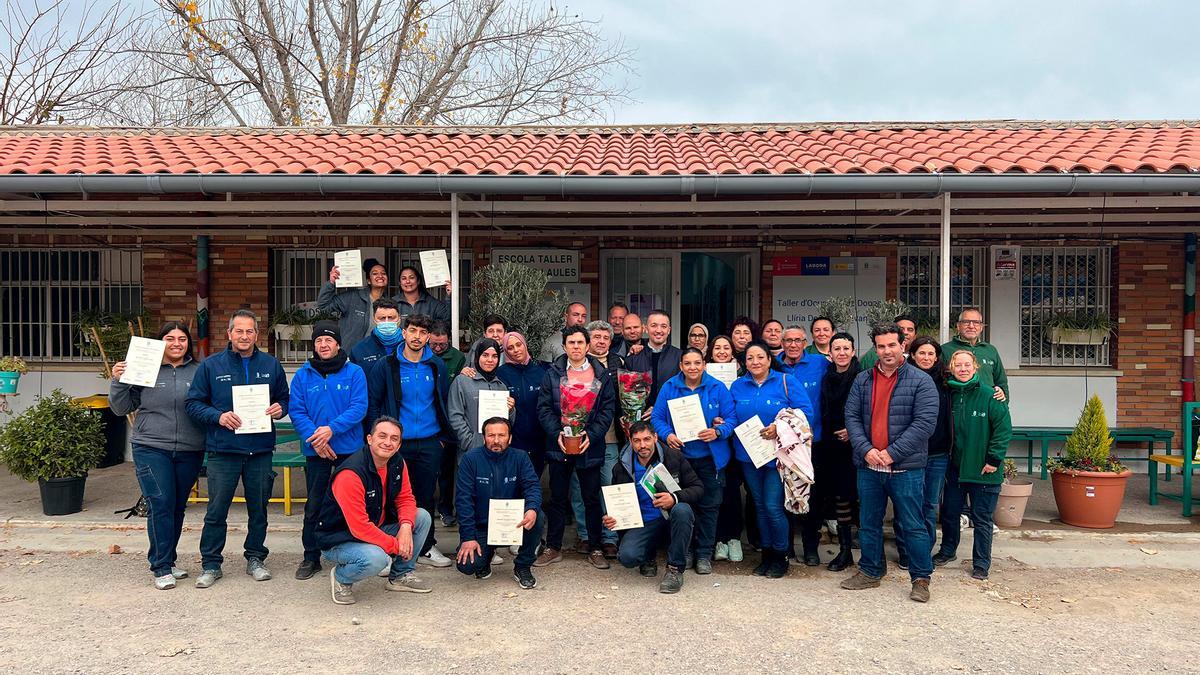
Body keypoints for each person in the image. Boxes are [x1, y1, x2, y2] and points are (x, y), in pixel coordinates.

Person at [185, 309, 289, 589]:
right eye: (239, 331)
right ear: (229, 334)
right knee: (216, 510)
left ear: (257, 334)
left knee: (259, 509)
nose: (244, 336)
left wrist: (281, 408)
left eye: (250, 331)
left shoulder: (270, 364)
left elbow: (284, 399)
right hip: (223, 450)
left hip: (260, 450)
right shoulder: (211, 366)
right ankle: (211, 564)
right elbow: (193, 404)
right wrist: (218, 416)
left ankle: (255, 558)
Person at [841, 323, 939, 603]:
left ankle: (921, 578)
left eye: (892, 345)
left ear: (903, 345)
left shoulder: (921, 381)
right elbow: (852, 418)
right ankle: (870, 571)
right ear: (875, 348)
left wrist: (892, 452)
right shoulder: (862, 380)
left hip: (905, 468)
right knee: (869, 523)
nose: (886, 351)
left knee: (913, 524)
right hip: (869, 466)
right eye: (881, 346)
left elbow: (924, 424)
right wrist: (867, 449)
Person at [109, 321, 205, 590]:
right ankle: (160, 566)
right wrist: (117, 381)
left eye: (182, 339)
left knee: (176, 506)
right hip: (151, 447)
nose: (176, 343)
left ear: (189, 343)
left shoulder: (199, 372)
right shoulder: (144, 369)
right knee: (160, 504)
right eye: (170, 338)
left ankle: (170, 560)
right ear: (160, 342)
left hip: (189, 449)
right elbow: (121, 407)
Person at [364, 313, 454, 567]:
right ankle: (391, 549)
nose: (417, 337)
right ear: (403, 333)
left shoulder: (436, 365)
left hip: (429, 442)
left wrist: (442, 440)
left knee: (425, 498)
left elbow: (443, 401)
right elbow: (373, 404)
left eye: (422, 333)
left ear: (428, 337)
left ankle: (425, 547)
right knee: (392, 497)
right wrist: (377, 441)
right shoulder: (386, 365)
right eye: (412, 331)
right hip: (395, 445)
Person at [317, 416, 433, 605]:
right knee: (376, 559)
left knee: (421, 517)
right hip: (340, 538)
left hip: (375, 528)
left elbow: (405, 498)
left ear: (399, 444)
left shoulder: (396, 462)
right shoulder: (350, 474)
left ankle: (400, 576)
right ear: (370, 439)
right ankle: (341, 578)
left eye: (394, 439)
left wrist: (405, 527)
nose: (388, 442)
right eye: (382, 436)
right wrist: (397, 547)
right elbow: (359, 528)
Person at [288, 321, 369, 581]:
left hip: (349, 450)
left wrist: (331, 430)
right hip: (316, 451)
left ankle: (354, 550)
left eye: (329, 340)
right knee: (315, 504)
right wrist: (317, 440)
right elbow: (297, 410)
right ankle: (310, 556)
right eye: (319, 341)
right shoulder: (303, 375)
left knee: (352, 503)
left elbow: (359, 408)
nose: (324, 345)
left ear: (338, 344)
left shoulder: (354, 372)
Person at [534, 326, 617, 569]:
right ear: (564, 346)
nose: (576, 347)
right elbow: (544, 408)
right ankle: (554, 546)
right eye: (571, 343)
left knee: (591, 498)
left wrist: (592, 434)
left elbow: (607, 409)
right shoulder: (552, 373)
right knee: (558, 498)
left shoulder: (601, 374)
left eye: (581, 342)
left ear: (588, 345)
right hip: (560, 444)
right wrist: (557, 433)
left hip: (589, 445)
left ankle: (595, 547)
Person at [730, 342, 813, 579]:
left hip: (779, 457)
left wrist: (780, 427)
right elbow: (730, 416)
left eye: (760, 357)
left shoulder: (786, 382)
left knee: (773, 507)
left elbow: (806, 413)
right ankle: (766, 555)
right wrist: (720, 423)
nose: (755, 362)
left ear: (769, 359)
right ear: (744, 363)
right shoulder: (737, 386)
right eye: (750, 358)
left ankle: (781, 555)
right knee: (759, 506)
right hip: (749, 457)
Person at [650, 347, 735, 574]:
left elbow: (731, 419)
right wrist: (668, 435)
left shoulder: (717, 387)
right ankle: (684, 550)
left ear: (704, 364)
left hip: (710, 458)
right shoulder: (670, 387)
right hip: (680, 459)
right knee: (681, 505)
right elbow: (657, 417)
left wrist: (718, 432)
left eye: (697, 363)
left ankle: (704, 553)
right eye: (687, 363)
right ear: (681, 366)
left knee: (709, 506)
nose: (693, 368)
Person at [934, 350, 1012, 581]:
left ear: (975, 367)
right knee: (949, 514)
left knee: (982, 519)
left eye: (967, 364)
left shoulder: (990, 395)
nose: (963, 369)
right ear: (951, 368)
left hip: (983, 469)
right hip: (954, 469)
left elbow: (1003, 429)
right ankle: (947, 551)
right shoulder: (947, 394)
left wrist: (994, 460)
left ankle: (981, 563)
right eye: (958, 365)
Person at [605, 421, 704, 594]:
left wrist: (674, 498)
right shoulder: (621, 468)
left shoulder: (674, 457)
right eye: (637, 441)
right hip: (644, 522)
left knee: (683, 510)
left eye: (647, 439)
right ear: (630, 441)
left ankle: (674, 570)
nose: (642, 445)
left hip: (671, 518)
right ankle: (648, 556)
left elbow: (698, 488)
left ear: (655, 438)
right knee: (627, 557)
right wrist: (612, 517)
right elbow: (618, 501)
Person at [454, 418, 543, 590]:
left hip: (514, 523)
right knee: (467, 567)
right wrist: (468, 537)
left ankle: (522, 566)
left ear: (509, 438)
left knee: (538, 516)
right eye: (491, 435)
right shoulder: (470, 459)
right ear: (484, 437)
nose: (496, 440)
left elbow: (532, 487)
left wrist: (531, 509)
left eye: (501, 435)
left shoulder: (520, 457)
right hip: (483, 525)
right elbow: (463, 500)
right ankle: (486, 558)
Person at [894, 336, 953, 571]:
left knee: (929, 505)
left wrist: (997, 391)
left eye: (931, 354)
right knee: (906, 503)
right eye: (922, 353)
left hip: (937, 453)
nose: (926, 358)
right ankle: (905, 552)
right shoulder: (902, 379)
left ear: (937, 357)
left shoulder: (947, 382)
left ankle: (923, 552)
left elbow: (973, 383)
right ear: (912, 355)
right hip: (908, 452)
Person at [777, 325, 831, 565]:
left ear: (805, 341)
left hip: (814, 441)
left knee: (815, 497)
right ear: (782, 342)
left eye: (798, 340)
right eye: (788, 340)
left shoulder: (820, 363)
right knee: (784, 493)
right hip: (783, 444)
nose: (793, 345)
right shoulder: (774, 365)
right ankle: (786, 547)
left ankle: (810, 547)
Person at [816, 332, 861, 572]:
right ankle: (844, 551)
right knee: (838, 497)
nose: (841, 353)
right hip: (830, 444)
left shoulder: (863, 376)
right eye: (837, 349)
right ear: (830, 353)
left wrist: (853, 431)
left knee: (855, 497)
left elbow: (870, 409)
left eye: (846, 348)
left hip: (856, 445)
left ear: (853, 351)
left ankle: (866, 551)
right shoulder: (827, 376)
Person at [584, 319, 625, 557]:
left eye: (605, 338)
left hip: (610, 437)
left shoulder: (619, 363)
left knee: (609, 487)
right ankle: (584, 535)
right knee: (582, 490)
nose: (601, 341)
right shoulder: (576, 363)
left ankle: (610, 538)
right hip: (583, 438)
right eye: (596, 337)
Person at [708, 333, 749, 562]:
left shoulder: (743, 377)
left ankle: (733, 538)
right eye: (717, 348)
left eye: (726, 348)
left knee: (732, 491)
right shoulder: (702, 375)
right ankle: (719, 540)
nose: (722, 352)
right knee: (715, 493)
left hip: (736, 442)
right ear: (710, 353)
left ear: (732, 352)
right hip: (713, 443)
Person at [447, 339, 515, 459]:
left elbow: (507, 423)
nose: (490, 360)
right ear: (477, 356)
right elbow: (455, 416)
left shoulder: (501, 386)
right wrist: (469, 441)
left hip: (497, 450)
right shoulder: (462, 381)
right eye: (485, 355)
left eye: (494, 356)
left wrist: (511, 410)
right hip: (469, 452)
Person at [429, 318, 465, 527]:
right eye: (434, 344)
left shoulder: (458, 357)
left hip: (449, 421)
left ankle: (445, 508)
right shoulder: (422, 356)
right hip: (427, 420)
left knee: (446, 470)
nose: (438, 348)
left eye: (442, 344)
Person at [497, 332, 548, 475]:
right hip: (514, 441)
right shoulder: (500, 374)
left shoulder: (541, 371)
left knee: (533, 481)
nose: (516, 350)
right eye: (510, 348)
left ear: (525, 345)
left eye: (518, 345)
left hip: (539, 440)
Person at [318, 257, 390, 351]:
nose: (380, 276)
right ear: (368, 280)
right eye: (375, 273)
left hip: (376, 356)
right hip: (351, 356)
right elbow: (324, 305)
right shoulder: (352, 297)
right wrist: (331, 283)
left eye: (383, 273)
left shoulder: (389, 304)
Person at [941, 307, 1009, 402]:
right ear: (958, 326)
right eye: (966, 322)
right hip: (957, 406)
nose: (971, 326)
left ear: (981, 327)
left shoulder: (990, 350)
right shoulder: (945, 350)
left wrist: (1003, 403)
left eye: (976, 322)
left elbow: (1001, 381)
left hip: (987, 406)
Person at [623, 309, 682, 407]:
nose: (658, 330)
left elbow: (684, 392)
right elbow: (627, 394)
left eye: (663, 326)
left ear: (669, 330)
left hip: (669, 417)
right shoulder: (633, 359)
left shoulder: (680, 357)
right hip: (640, 417)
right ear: (646, 328)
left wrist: (660, 409)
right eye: (654, 325)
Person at [349, 298, 403, 371]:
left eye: (391, 318)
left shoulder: (411, 345)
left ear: (399, 318)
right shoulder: (359, 350)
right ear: (374, 320)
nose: (386, 322)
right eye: (382, 318)